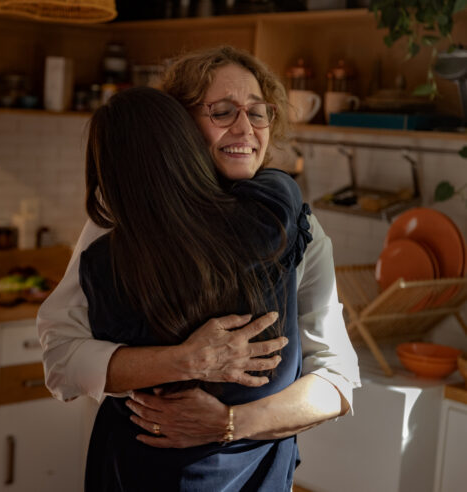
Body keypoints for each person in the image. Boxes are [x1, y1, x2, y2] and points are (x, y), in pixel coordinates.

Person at [38, 44, 360, 474]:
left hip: (256, 474)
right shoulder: (125, 216)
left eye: (257, 111)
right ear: (179, 127)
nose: (246, 128)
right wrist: (187, 359)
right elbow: (62, 361)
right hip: (135, 473)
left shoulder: (297, 227)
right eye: (223, 111)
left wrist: (227, 423)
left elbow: (337, 384)